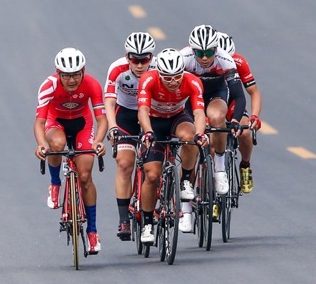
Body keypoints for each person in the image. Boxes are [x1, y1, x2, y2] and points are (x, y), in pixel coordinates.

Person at [34, 47, 107, 255]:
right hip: (56, 123)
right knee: (55, 145)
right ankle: (55, 183)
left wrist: (99, 142)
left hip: (83, 124)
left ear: (83, 71)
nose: (72, 80)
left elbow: (102, 119)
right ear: (58, 73)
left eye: (76, 74)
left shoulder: (92, 84)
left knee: (85, 176)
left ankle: (92, 231)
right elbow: (39, 122)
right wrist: (41, 144)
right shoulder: (48, 86)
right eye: (66, 75)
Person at [136, 48, 208, 243]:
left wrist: (201, 134)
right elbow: (142, 110)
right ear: (159, 74)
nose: (173, 81)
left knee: (190, 137)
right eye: (167, 78)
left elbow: (199, 113)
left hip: (177, 117)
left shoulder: (192, 81)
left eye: (177, 76)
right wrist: (148, 132)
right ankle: (148, 223)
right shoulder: (148, 80)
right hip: (154, 121)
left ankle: (185, 179)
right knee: (151, 175)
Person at [181, 25, 247, 202]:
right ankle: (185, 206)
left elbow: (239, 96)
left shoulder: (225, 60)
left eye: (209, 53)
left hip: (215, 93)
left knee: (217, 118)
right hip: (190, 97)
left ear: (216, 50)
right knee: (190, 143)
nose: (204, 58)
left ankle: (219, 168)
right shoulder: (183, 59)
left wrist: (234, 120)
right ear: (192, 50)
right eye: (199, 53)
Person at [104, 32, 156, 241]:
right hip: (124, 114)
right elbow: (108, 101)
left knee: (154, 166)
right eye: (135, 59)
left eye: (145, 59)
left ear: (151, 58)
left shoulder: (160, 68)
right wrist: (112, 127)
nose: (140, 64)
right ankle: (124, 218)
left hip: (152, 114)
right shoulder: (117, 69)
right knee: (125, 164)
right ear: (127, 57)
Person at [216, 31, 262, 194]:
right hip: (213, 102)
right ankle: (206, 187)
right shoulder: (204, 62)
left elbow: (253, 92)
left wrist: (254, 116)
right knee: (209, 142)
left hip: (233, 102)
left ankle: (245, 165)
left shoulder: (239, 61)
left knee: (245, 132)